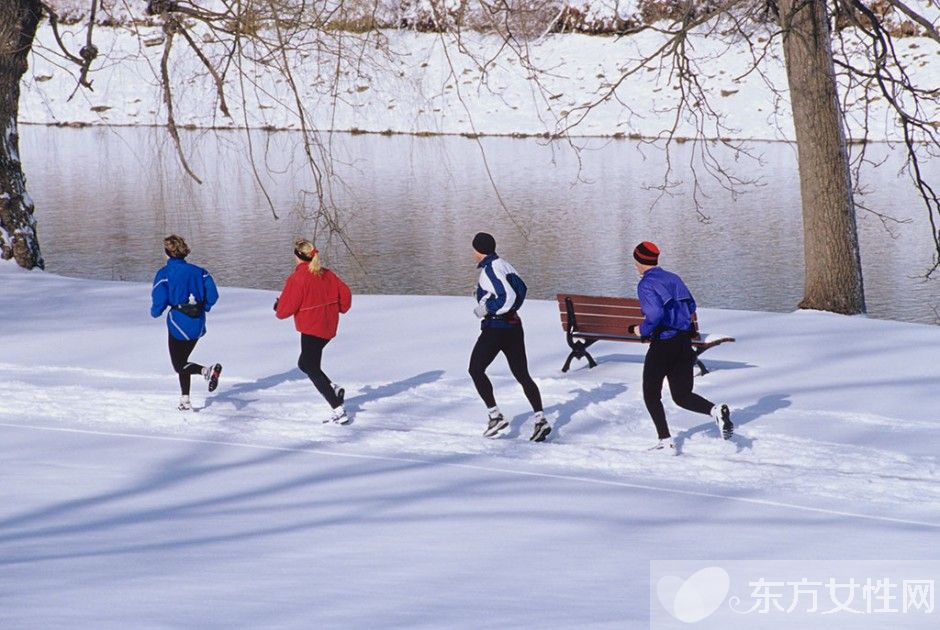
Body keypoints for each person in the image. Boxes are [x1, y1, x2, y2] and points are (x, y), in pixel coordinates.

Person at [626, 241, 733, 454]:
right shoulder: (673, 278)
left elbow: (655, 314)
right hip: (684, 343)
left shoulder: (646, 284)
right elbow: (691, 305)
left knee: (651, 394)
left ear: (639, 260)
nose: (635, 264)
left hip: (663, 344)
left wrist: (642, 330)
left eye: (635, 260)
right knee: (682, 395)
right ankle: (714, 411)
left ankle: (666, 442)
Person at [468, 232, 551, 442]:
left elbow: (508, 296)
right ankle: (540, 420)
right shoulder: (505, 265)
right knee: (522, 375)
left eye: (474, 249)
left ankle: (495, 416)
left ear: (479, 250)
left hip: (497, 328)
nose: (473, 253)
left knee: (475, 369)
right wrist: (486, 297)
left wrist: (487, 308)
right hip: (514, 326)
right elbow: (521, 289)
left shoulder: (489, 270)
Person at [275, 239, 352, 424]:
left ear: (298, 256)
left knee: (310, 366)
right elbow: (346, 295)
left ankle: (338, 408)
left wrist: (278, 306)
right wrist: (339, 308)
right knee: (304, 363)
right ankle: (332, 388)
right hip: (328, 326)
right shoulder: (327, 274)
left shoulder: (297, 278)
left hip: (311, 328)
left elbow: (284, 311)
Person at [150, 235, 222, 411]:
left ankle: (207, 371)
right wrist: (204, 307)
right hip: (197, 323)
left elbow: (159, 299)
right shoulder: (201, 272)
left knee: (179, 365)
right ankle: (185, 400)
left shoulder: (164, 274)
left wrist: (155, 312)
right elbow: (213, 295)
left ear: (167, 252)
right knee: (184, 362)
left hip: (178, 324)